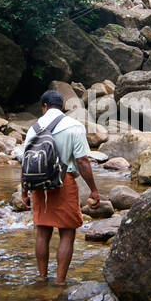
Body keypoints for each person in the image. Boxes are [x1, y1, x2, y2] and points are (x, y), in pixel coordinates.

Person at [21, 90, 101, 282]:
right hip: (64, 181)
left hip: (39, 184)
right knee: (67, 233)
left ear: (44, 107)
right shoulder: (74, 126)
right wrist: (94, 189)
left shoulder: (34, 127)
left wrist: (25, 190)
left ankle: (42, 277)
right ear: (63, 107)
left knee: (42, 231)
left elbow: (25, 161)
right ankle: (59, 281)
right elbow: (82, 161)